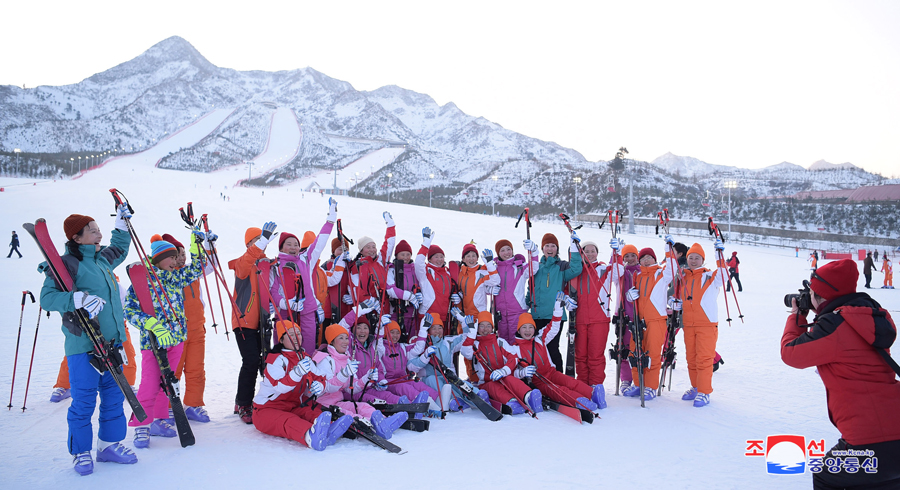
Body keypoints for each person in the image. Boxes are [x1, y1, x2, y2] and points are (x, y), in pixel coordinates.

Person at [781, 259, 900, 489]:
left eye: (812, 293)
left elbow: (790, 353)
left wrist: (797, 316)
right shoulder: (869, 316)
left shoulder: (835, 325)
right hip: (894, 424)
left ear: (822, 297)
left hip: (869, 437)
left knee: (826, 475)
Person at [39, 207, 137, 475]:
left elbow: (119, 248)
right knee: (84, 402)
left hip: (112, 343)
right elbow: (47, 298)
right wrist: (76, 299)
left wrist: (121, 226)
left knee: (113, 398)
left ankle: (108, 446)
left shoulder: (101, 259)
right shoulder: (66, 265)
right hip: (84, 346)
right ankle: (81, 452)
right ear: (77, 237)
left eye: (98, 229)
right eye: (93, 231)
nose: (99, 234)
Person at [123, 233, 205, 448]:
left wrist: (196, 248)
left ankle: (159, 420)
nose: (175, 261)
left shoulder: (175, 277)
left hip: (176, 340)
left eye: (176, 257)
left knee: (167, 383)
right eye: (171, 257)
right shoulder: (142, 280)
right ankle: (142, 425)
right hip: (153, 343)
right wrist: (152, 324)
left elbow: (198, 269)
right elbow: (129, 310)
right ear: (159, 259)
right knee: (149, 384)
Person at [311, 302, 408, 440]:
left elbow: (352, 388)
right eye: (341, 338)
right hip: (322, 404)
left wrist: (366, 378)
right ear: (332, 341)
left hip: (338, 400)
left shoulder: (347, 359)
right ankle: (372, 425)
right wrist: (356, 312)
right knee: (349, 414)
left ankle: (383, 421)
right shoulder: (324, 359)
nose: (345, 342)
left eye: (346, 338)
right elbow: (327, 387)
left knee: (362, 407)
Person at [252, 320, 352, 451]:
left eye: (298, 334)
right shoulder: (276, 359)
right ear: (281, 339)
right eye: (291, 334)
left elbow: (320, 377)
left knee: (311, 412)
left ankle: (330, 429)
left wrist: (320, 385)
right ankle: (309, 436)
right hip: (267, 409)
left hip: (293, 406)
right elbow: (279, 386)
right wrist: (297, 373)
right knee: (290, 420)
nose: (296, 338)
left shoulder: (304, 358)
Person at [508, 297, 606, 411]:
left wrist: (558, 309)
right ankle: (579, 401)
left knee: (570, 382)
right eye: (524, 327)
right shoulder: (515, 349)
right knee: (557, 390)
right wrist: (522, 373)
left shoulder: (540, 339)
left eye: (530, 327)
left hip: (552, 373)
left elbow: (553, 327)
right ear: (518, 330)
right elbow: (512, 372)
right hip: (539, 382)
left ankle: (593, 394)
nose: (527, 330)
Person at [270, 199, 337, 354]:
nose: (293, 247)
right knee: (285, 347)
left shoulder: (305, 259)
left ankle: (307, 368)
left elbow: (320, 241)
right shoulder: (276, 265)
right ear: (281, 247)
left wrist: (330, 220)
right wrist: (287, 304)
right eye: (289, 244)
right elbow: (273, 291)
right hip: (285, 312)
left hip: (307, 308)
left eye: (296, 244)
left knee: (308, 346)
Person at [228, 220, 278, 424]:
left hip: (263, 322)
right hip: (244, 321)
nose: (261, 243)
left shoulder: (267, 265)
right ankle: (243, 403)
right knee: (250, 361)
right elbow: (247, 261)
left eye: (263, 239)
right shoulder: (243, 263)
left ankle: (261, 400)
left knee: (264, 361)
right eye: (256, 240)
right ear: (249, 244)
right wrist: (262, 241)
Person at [162, 233, 213, 423]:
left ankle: (193, 404)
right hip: (176, 332)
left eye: (183, 253)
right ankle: (167, 406)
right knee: (173, 370)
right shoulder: (167, 276)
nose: (182, 258)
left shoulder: (192, 272)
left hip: (197, 329)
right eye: (177, 255)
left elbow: (210, 265)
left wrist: (207, 245)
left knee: (196, 369)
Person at [461, 311, 543, 415]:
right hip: (486, 382)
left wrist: (503, 371)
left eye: (488, 326)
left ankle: (529, 397)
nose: (485, 329)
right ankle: (512, 402)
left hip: (503, 376)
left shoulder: (499, 342)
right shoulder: (475, 344)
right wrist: (471, 333)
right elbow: (465, 352)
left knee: (510, 379)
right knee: (493, 386)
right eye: (482, 326)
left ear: (492, 327)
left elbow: (513, 357)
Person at [622, 239, 674, 400]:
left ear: (654, 259)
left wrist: (669, 250)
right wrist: (630, 296)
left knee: (652, 353)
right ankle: (639, 384)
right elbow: (635, 297)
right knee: (635, 352)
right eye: (643, 258)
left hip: (656, 319)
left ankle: (651, 386)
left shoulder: (660, 273)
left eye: (649, 257)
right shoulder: (638, 276)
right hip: (639, 320)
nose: (646, 260)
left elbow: (671, 269)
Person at [678, 241, 727, 407]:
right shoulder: (683, 277)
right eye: (691, 257)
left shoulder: (709, 276)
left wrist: (719, 255)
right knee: (691, 358)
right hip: (689, 324)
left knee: (704, 359)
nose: (693, 261)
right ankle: (696, 387)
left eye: (697, 258)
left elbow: (723, 274)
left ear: (703, 260)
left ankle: (704, 392)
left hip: (706, 324)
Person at [567, 239, 622, 387]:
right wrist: (566, 299)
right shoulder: (576, 272)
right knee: (580, 356)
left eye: (593, 251)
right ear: (581, 253)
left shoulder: (603, 269)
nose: (590, 254)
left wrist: (617, 253)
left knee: (595, 356)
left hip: (599, 319)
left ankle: (596, 386)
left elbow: (619, 271)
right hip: (579, 320)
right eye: (586, 251)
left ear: (597, 253)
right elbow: (567, 290)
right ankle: (583, 386)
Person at [533, 232, 583, 373]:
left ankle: (557, 377)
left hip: (555, 315)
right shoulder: (537, 267)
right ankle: (540, 377)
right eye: (547, 245)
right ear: (542, 248)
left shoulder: (562, 266)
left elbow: (576, 269)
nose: (550, 248)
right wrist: (526, 304)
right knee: (537, 348)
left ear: (557, 249)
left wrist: (574, 248)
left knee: (552, 347)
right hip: (536, 315)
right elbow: (531, 287)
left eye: (553, 246)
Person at [490, 238, 539, 345]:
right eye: (502, 250)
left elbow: (534, 268)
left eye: (509, 249)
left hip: (517, 311)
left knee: (517, 341)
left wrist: (534, 251)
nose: (506, 252)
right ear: (498, 253)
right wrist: (490, 289)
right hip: (500, 314)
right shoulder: (494, 268)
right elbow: (486, 285)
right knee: (502, 342)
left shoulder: (519, 267)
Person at [386, 239, 423, 340]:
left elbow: (423, 285)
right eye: (402, 254)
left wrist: (420, 295)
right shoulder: (391, 269)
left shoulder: (415, 269)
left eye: (408, 254)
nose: (406, 257)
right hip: (396, 311)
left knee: (412, 340)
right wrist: (409, 296)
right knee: (395, 339)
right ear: (397, 255)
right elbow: (390, 289)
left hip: (413, 312)